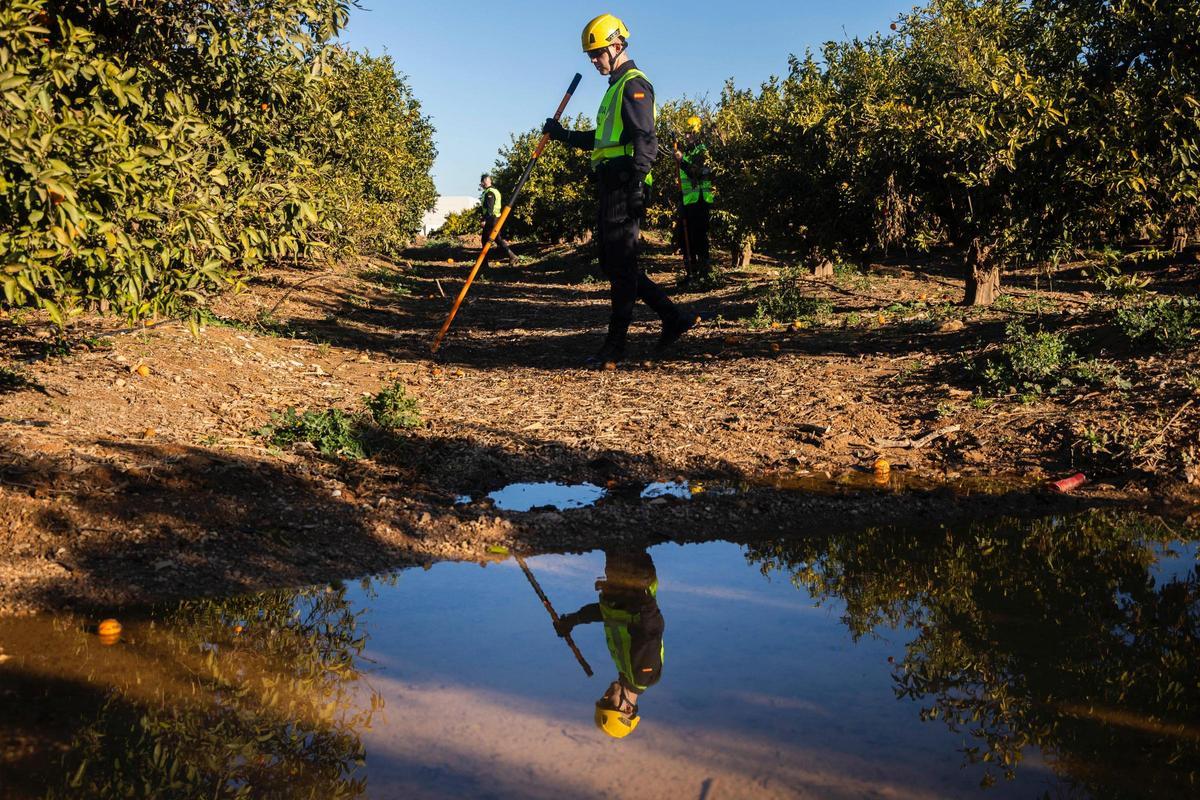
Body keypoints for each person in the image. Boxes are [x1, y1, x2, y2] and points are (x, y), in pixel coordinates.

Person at [543, 13, 694, 368]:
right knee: (616, 263)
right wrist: (563, 135)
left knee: (621, 266)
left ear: (616, 45)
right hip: (613, 182)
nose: (594, 61)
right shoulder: (615, 88)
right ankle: (674, 318)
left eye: (597, 53)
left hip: (626, 183)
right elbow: (604, 140)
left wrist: (639, 185)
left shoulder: (633, 85)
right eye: (590, 56)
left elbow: (646, 139)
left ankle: (615, 347)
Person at [555, 548, 664, 739]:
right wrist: (640, 596)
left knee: (614, 532)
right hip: (633, 583)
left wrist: (572, 620)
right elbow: (652, 630)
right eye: (609, 703)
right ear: (628, 710)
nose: (605, 696)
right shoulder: (642, 675)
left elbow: (610, 615)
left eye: (601, 700)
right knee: (623, 535)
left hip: (624, 586)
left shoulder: (626, 671)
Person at [675, 116, 715, 286]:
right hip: (687, 200)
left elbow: (696, 173)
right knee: (684, 240)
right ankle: (691, 274)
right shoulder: (689, 151)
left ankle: (704, 276)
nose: (687, 136)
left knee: (699, 239)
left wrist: (681, 161)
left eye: (690, 133)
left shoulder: (702, 151)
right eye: (685, 133)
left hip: (700, 201)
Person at [478, 174, 519, 267]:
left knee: (485, 240)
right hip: (496, 218)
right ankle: (512, 256)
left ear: (486, 181)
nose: (482, 184)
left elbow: (490, 208)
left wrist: (485, 220)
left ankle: (483, 264)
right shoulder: (493, 191)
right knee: (497, 239)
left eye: (483, 181)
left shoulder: (490, 192)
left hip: (492, 219)